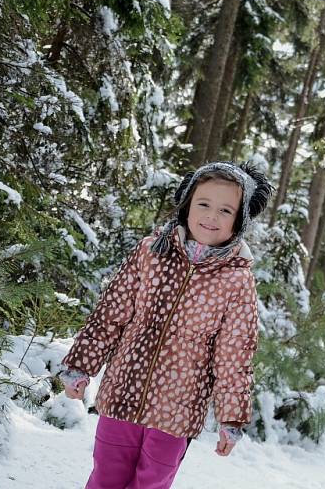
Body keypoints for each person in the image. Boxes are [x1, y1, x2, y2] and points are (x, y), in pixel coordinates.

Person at [59, 161, 271, 489]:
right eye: (204, 204)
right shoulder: (151, 252)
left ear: (239, 221)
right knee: (106, 478)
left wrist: (231, 418)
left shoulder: (236, 280)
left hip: (178, 412)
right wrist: (79, 365)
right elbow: (110, 314)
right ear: (187, 205)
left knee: (151, 483)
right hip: (122, 393)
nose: (212, 216)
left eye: (225, 210)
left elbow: (235, 356)